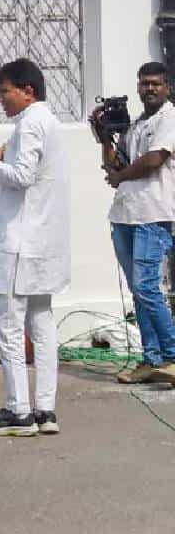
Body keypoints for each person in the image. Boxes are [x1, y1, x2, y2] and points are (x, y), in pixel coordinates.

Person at [0, 58, 70, 437]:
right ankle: (45, 409)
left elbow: (22, 175)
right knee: (42, 323)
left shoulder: (30, 123)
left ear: (27, 91)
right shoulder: (49, 123)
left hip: (20, 241)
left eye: (5, 92)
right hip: (43, 240)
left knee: (9, 327)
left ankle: (19, 411)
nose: (1, 100)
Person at [100, 62, 175, 384]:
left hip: (153, 215)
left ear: (167, 87)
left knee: (146, 287)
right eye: (144, 84)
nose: (150, 89)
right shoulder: (136, 125)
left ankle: (172, 355)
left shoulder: (169, 118)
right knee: (138, 291)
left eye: (155, 83)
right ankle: (152, 359)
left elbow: (154, 159)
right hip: (125, 214)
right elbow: (114, 165)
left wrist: (120, 176)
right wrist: (105, 137)